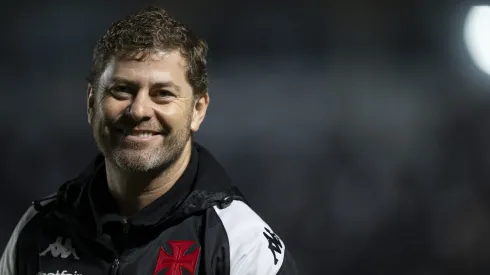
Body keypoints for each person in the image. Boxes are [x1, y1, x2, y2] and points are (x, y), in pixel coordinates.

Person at [0, 6, 298, 275]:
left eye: (163, 94)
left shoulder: (241, 247)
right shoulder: (36, 230)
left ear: (197, 110)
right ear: (92, 103)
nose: (139, 110)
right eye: (121, 90)